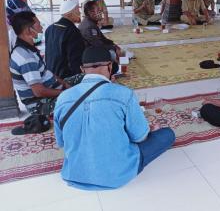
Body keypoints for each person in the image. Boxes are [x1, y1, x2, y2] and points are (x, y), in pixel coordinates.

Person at [54, 46, 175, 190]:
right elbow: (139, 138)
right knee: (167, 134)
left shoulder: (63, 97)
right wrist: (149, 130)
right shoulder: (123, 93)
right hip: (118, 175)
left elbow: (61, 141)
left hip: (74, 175)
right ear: (110, 66)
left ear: (82, 69)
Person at [9, 11, 69, 115]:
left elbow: (46, 72)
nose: (41, 26)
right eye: (38, 24)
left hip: (52, 92)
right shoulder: (26, 58)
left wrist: (64, 83)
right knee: (81, 101)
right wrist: (65, 93)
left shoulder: (27, 49)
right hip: (39, 105)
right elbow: (39, 91)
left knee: (84, 80)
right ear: (29, 30)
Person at [45, 1, 86, 79]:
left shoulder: (50, 28)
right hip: (66, 77)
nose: (80, 13)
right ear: (69, 14)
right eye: (77, 11)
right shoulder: (72, 31)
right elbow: (75, 59)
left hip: (51, 75)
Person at [79, 1, 121, 74]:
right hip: (91, 55)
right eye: (98, 10)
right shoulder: (89, 26)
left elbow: (102, 38)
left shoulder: (91, 22)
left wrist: (114, 45)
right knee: (114, 67)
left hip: (93, 50)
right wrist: (113, 48)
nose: (100, 12)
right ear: (91, 13)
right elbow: (98, 45)